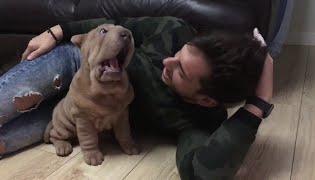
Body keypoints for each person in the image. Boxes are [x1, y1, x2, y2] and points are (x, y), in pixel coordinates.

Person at [0, 16, 273, 179]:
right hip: (76, 64)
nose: (168, 61)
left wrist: (258, 104)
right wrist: (55, 32)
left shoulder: (200, 120)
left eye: (181, 71)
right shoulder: (173, 30)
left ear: (206, 101)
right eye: (179, 53)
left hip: (78, 114)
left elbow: (200, 173)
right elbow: (117, 25)